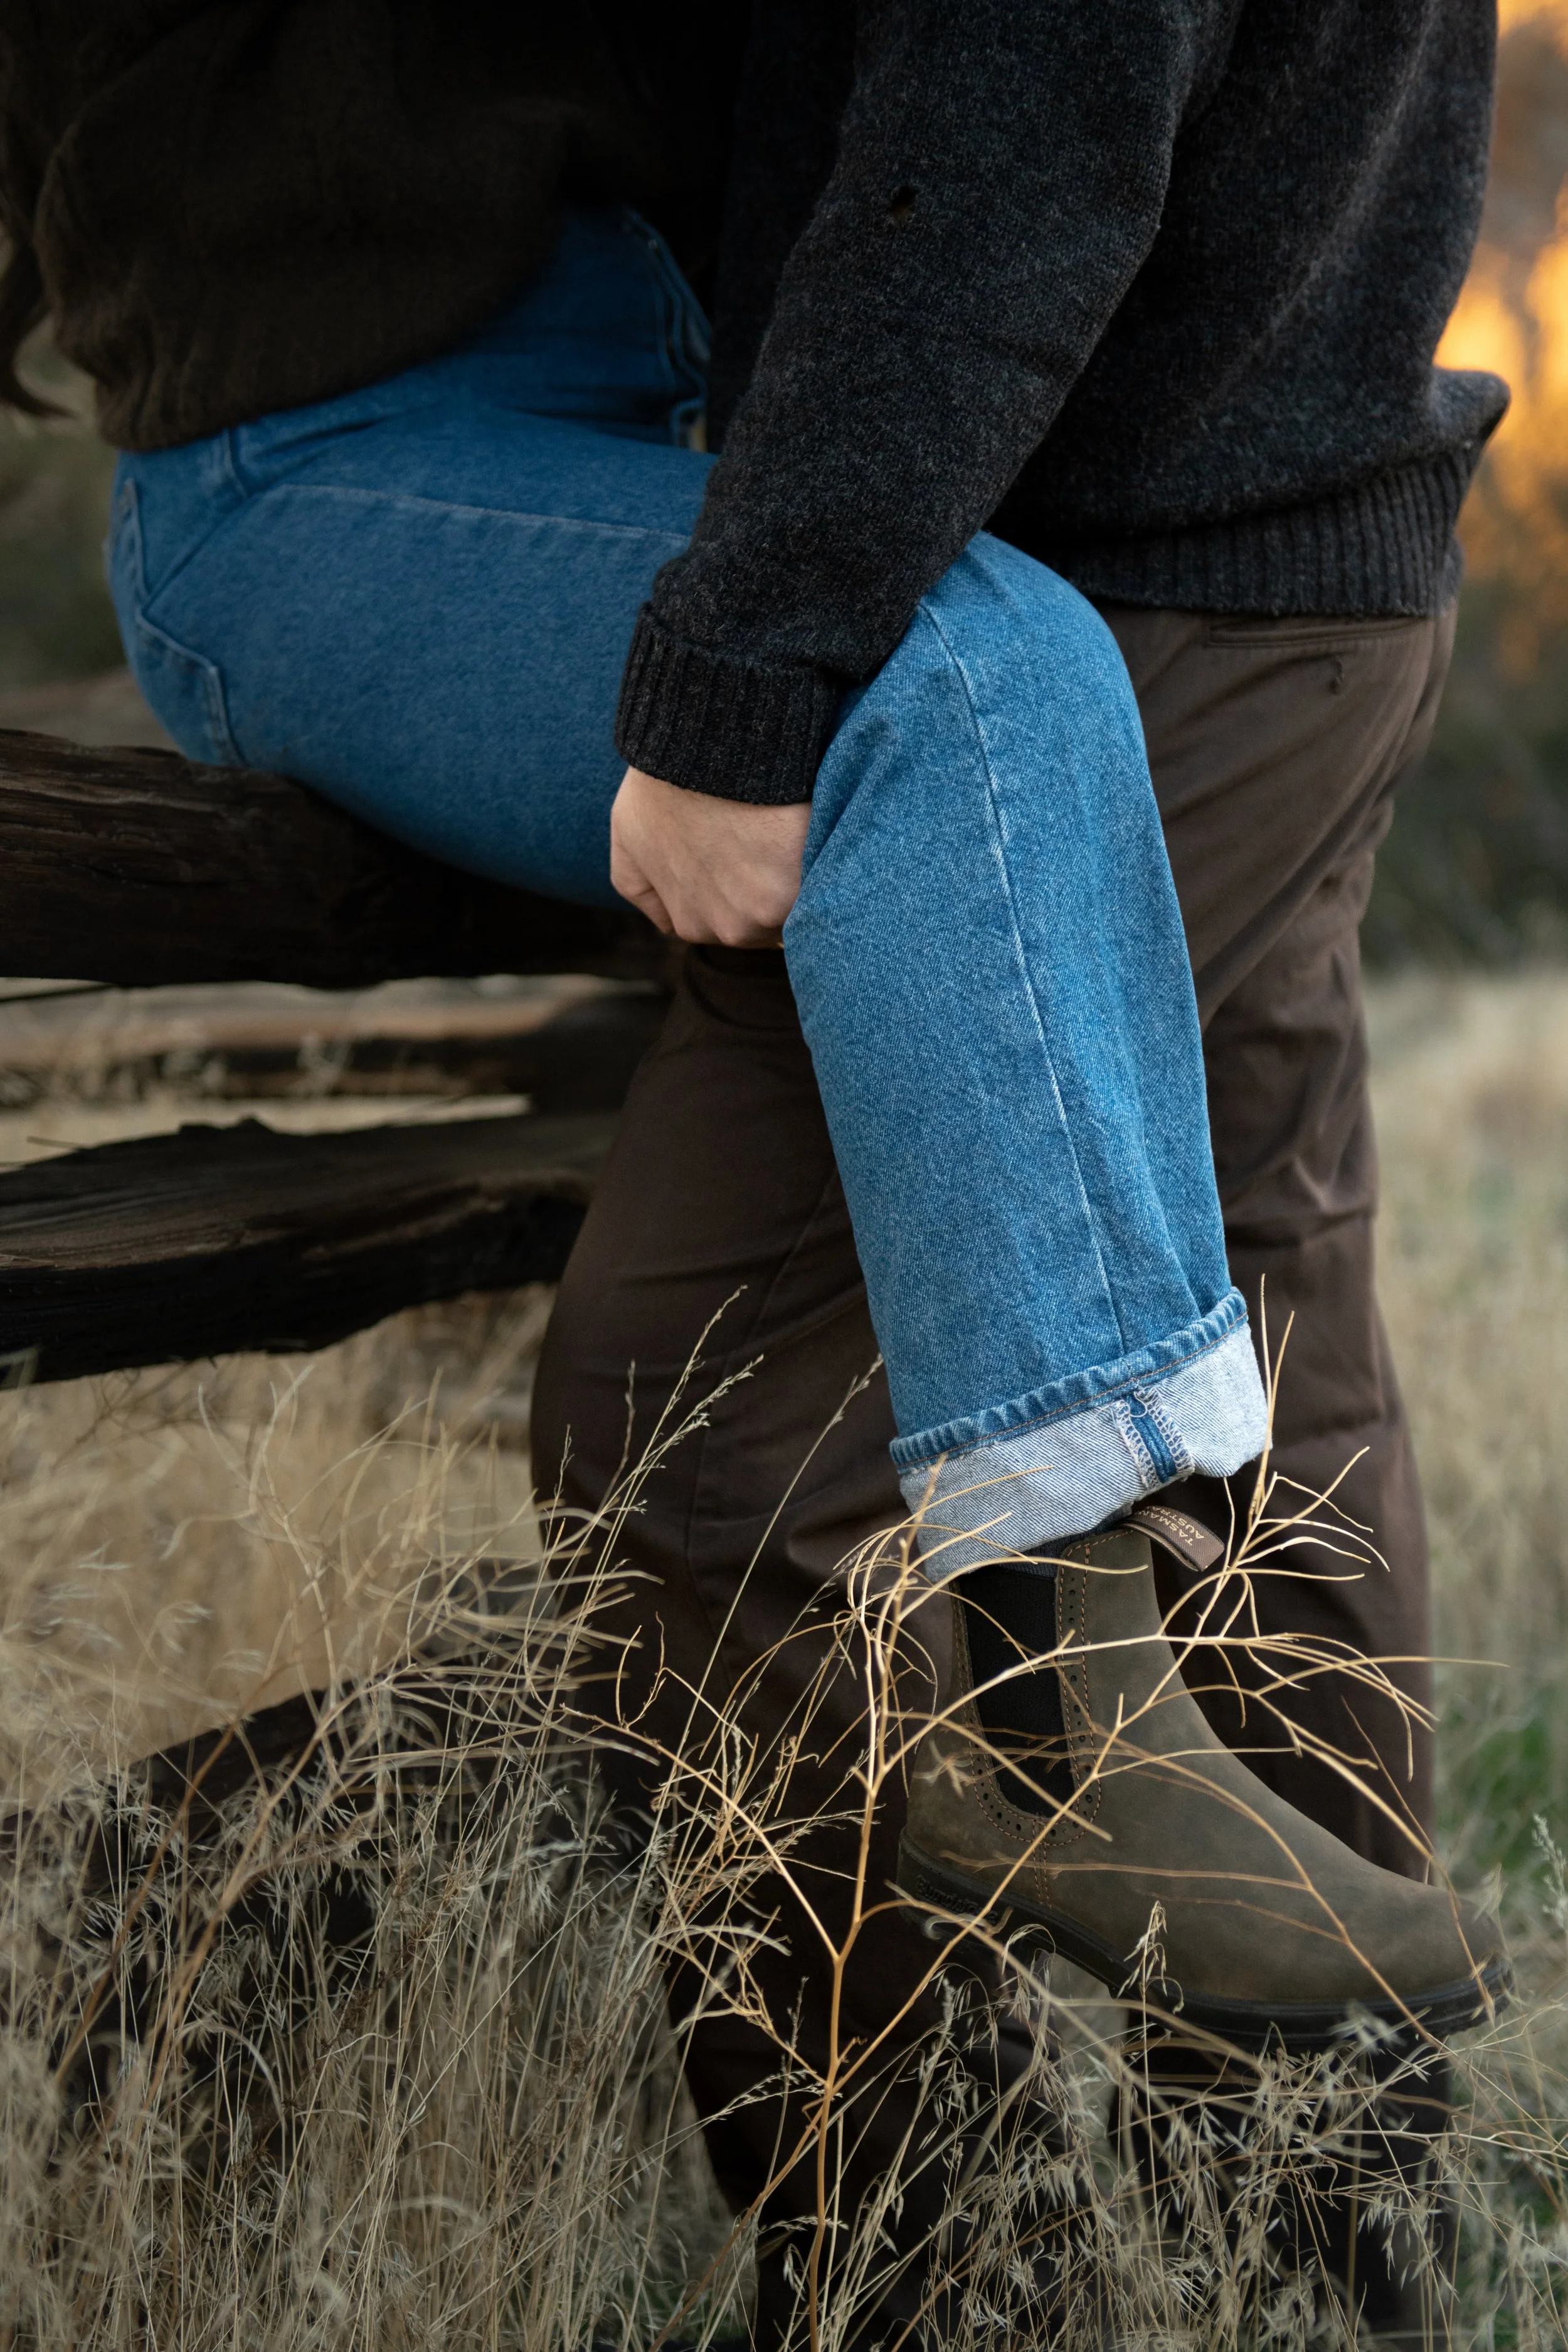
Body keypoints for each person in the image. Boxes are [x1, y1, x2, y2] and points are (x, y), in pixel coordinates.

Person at [0, 1, 1510, 2341]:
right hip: (342, 462)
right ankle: (978, 2261)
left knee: (862, 1383)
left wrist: (749, 618)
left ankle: (1270, 2224)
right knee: (973, 709)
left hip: (874, 478)